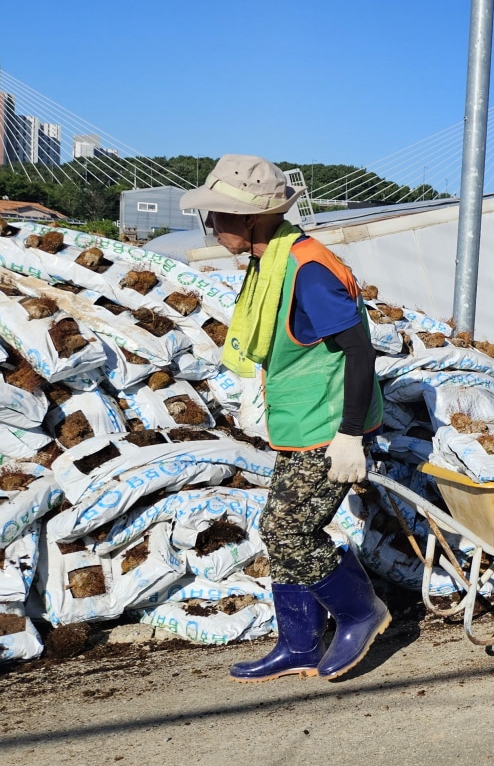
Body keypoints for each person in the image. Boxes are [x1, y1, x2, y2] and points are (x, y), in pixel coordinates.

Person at [181, 155, 388, 682]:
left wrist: (349, 436)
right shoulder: (269, 263)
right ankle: (298, 643)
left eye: (219, 216)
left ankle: (362, 612)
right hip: (302, 425)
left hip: (331, 426)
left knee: (288, 530)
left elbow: (359, 352)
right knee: (282, 530)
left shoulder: (307, 269)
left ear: (254, 219)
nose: (212, 225)